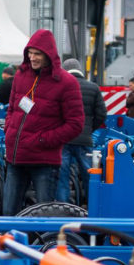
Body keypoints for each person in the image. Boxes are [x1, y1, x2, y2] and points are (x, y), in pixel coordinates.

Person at [1, 30, 84, 216]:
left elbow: (75, 124)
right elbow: (12, 108)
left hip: (44, 161)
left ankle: (46, 244)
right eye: (30, 53)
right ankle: (7, 244)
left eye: (37, 54)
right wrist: (9, 131)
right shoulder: (21, 76)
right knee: (8, 214)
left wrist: (42, 140)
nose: (32, 57)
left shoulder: (67, 83)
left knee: (45, 216)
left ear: (49, 55)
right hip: (16, 158)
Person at [55, 58, 107, 204]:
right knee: (90, 174)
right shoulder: (93, 87)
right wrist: (89, 129)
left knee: (62, 176)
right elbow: (102, 114)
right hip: (84, 140)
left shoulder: (60, 87)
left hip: (64, 139)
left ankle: (63, 208)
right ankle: (94, 206)